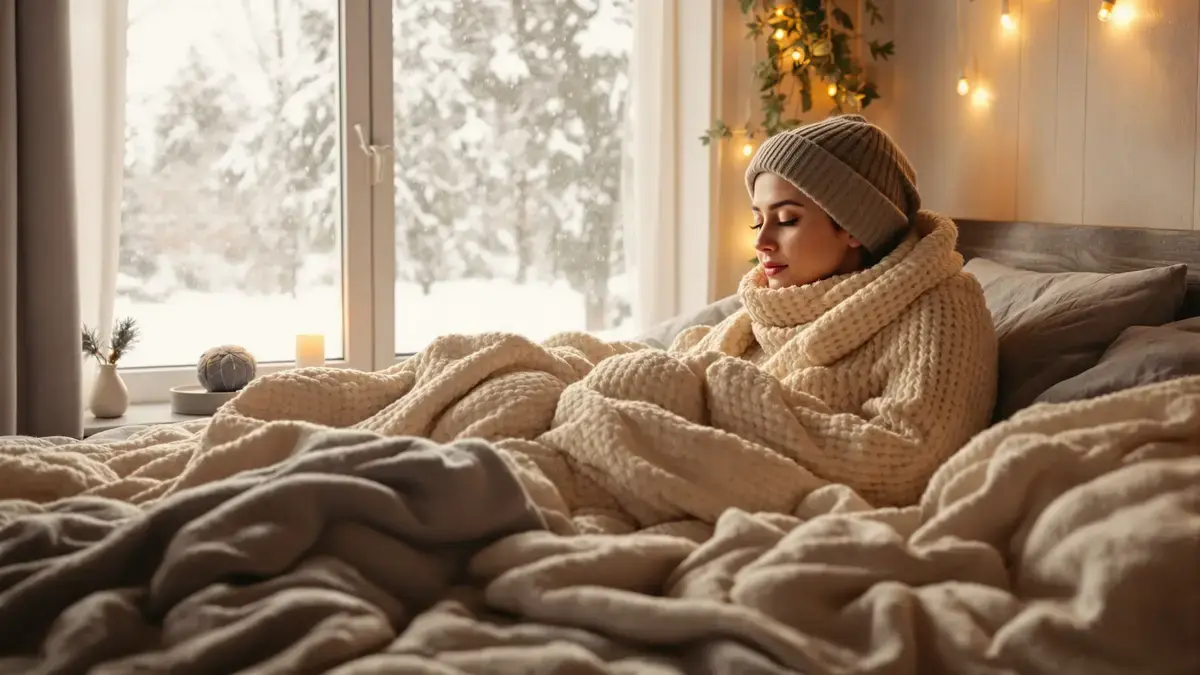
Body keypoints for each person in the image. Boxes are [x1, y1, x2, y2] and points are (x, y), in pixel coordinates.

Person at [671, 114, 998, 506]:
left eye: (787, 219)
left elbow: (911, 460)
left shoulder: (941, 307)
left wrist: (735, 401)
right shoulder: (769, 309)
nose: (763, 242)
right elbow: (682, 372)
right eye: (757, 221)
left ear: (853, 226)